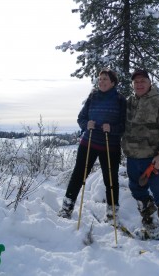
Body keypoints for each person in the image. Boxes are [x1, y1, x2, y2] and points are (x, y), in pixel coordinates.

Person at [121, 69, 159, 255]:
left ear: (149, 82)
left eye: (143, 81)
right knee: (137, 191)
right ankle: (151, 226)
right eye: (136, 81)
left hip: (154, 160)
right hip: (133, 159)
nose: (139, 84)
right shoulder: (129, 103)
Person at [58, 68, 126, 221]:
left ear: (113, 82)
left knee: (111, 179)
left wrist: (112, 128)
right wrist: (86, 124)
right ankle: (66, 208)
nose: (101, 81)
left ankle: (112, 213)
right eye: (100, 79)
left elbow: (124, 125)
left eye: (105, 79)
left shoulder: (120, 100)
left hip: (110, 146)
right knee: (78, 176)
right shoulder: (92, 97)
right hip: (89, 143)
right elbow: (81, 118)